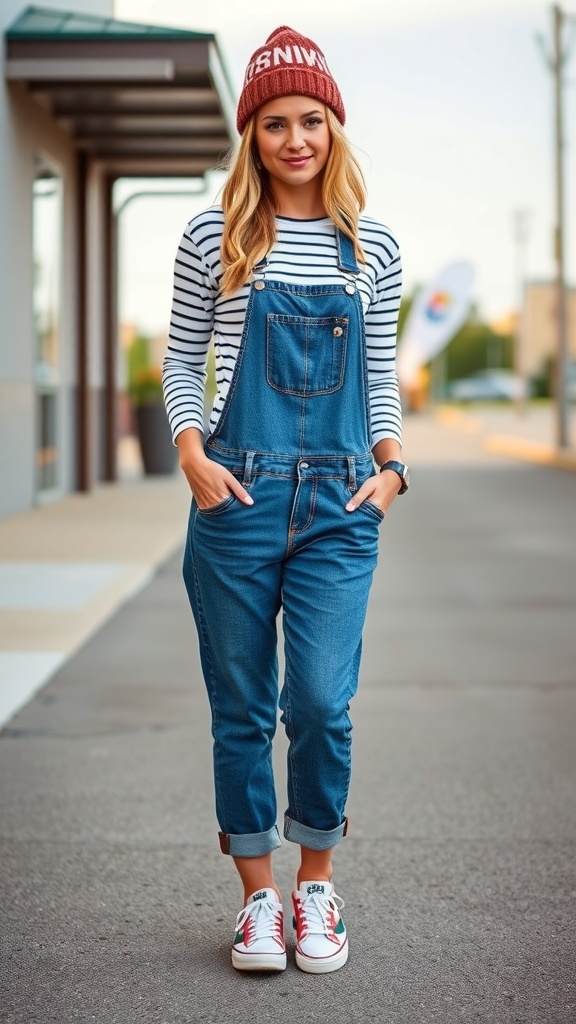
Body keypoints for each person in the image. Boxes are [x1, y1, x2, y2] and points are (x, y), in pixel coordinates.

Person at [163, 25, 408, 975]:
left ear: (333, 128)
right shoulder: (212, 236)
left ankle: (317, 884)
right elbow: (185, 359)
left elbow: (379, 378)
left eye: (311, 120)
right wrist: (190, 452)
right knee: (240, 708)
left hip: (342, 504)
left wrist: (390, 469)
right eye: (275, 123)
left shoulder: (372, 246)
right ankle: (258, 902)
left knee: (319, 702)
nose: (295, 138)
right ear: (251, 135)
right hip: (236, 494)